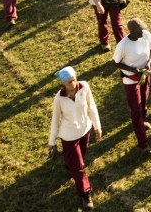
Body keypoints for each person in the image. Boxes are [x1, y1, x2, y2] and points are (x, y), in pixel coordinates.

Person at [47, 66, 101, 210]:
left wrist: (97, 126)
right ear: (63, 84)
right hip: (69, 136)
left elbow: (91, 106)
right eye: (69, 82)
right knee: (79, 167)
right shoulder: (59, 98)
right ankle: (85, 195)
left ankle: (68, 163)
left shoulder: (84, 87)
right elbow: (55, 120)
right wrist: (51, 142)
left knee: (81, 155)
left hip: (85, 130)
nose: (73, 84)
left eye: (74, 79)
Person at [112, 19, 151, 151]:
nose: (143, 31)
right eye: (140, 30)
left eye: (143, 28)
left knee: (144, 101)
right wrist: (132, 70)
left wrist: (149, 63)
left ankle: (142, 121)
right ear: (132, 31)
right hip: (131, 80)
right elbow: (115, 62)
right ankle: (143, 143)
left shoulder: (145, 35)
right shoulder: (123, 45)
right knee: (136, 109)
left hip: (144, 75)